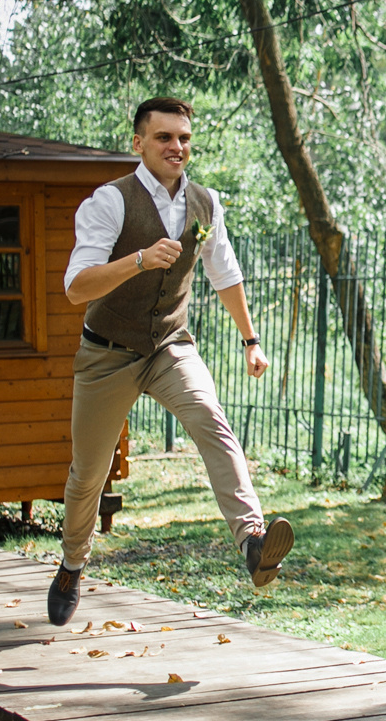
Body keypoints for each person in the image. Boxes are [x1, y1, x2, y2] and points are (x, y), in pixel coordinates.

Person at [46, 96, 292, 625]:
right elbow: (74, 287)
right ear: (139, 143)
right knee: (89, 474)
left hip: (169, 345)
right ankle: (71, 563)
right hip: (107, 352)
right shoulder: (109, 202)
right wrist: (137, 260)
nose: (176, 147)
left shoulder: (205, 203)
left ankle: (252, 541)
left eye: (183, 138)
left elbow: (224, 273)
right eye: (164, 138)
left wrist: (251, 340)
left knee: (213, 422)